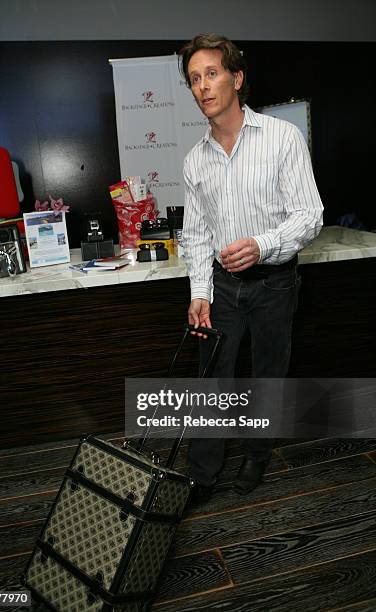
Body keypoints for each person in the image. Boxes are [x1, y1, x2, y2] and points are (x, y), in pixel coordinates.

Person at [179, 34, 323, 503]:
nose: (203, 86)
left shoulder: (283, 138)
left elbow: (309, 214)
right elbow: (197, 234)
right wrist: (200, 292)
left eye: (212, 74)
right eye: (194, 78)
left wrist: (262, 246)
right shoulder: (194, 159)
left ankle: (257, 459)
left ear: (237, 79)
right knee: (212, 378)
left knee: (267, 376)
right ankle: (202, 474)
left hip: (275, 284)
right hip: (222, 287)